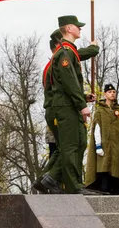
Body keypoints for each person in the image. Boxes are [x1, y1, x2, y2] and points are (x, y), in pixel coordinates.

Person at [35, 29, 99, 194]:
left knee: (67, 146)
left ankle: (45, 179)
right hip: (60, 108)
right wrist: (81, 102)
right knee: (69, 146)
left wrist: (83, 97)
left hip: (60, 107)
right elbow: (65, 85)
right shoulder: (60, 57)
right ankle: (60, 181)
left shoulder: (57, 59)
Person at [85, 84, 119, 195]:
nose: (112, 94)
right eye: (110, 92)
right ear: (105, 94)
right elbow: (97, 128)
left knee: (116, 174)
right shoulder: (100, 111)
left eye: (114, 92)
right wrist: (98, 145)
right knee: (104, 173)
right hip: (104, 148)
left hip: (117, 148)